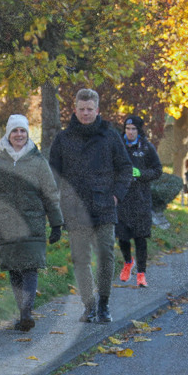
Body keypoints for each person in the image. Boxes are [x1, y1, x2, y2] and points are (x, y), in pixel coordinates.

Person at [48, 89, 132, 323]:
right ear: (75, 109)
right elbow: (52, 174)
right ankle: (89, 305)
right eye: (82, 109)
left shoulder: (111, 136)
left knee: (106, 256)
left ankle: (104, 303)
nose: (86, 113)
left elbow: (125, 168)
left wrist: (117, 195)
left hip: (105, 206)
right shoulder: (63, 139)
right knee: (81, 260)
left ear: (97, 110)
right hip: (75, 210)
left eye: (90, 109)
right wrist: (55, 203)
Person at [0, 114, 63, 330]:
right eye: (15, 131)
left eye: (22, 131)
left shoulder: (38, 162)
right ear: (8, 134)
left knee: (30, 268)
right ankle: (22, 312)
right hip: (6, 227)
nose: (19, 134)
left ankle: (26, 313)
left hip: (32, 224)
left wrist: (56, 223)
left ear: (27, 134)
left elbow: (50, 194)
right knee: (14, 270)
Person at [115, 115, 161, 287]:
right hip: (122, 198)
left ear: (139, 131)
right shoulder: (118, 147)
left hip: (141, 200)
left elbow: (157, 170)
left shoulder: (147, 148)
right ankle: (128, 262)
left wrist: (140, 174)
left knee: (140, 238)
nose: (130, 132)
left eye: (134, 129)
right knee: (123, 236)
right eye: (128, 129)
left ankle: (141, 274)